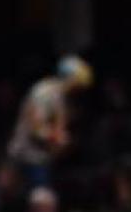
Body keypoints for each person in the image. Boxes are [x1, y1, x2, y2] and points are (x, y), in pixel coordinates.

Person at [7, 54, 94, 189]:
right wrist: (57, 138)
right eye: (78, 85)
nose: (79, 90)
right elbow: (35, 128)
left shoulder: (63, 98)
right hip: (28, 156)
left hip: (45, 158)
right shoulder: (44, 93)